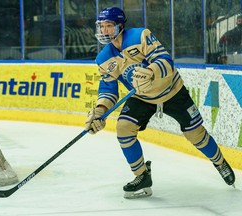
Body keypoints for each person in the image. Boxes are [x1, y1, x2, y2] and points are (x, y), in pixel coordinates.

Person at [85, 7, 235, 199]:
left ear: (120, 26)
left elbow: (165, 60)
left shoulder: (140, 36)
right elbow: (108, 89)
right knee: (123, 128)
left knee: (195, 134)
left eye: (109, 26)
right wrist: (100, 111)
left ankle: (220, 162)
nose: (104, 31)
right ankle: (142, 176)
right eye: (101, 26)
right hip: (142, 97)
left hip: (172, 91)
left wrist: (151, 72)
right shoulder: (103, 58)